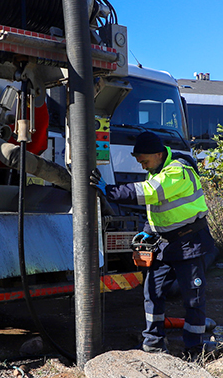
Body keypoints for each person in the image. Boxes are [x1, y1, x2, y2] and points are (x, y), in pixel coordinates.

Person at [91, 131, 215, 358]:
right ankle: (153, 344)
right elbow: (158, 208)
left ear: (158, 154)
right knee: (152, 293)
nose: (143, 167)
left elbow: (149, 193)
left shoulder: (178, 171)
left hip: (190, 244)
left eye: (145, 161)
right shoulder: (157, 171)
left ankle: (195, 351)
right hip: (166, 245)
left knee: (193, 299)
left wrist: (109, 190)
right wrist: (148, 232)